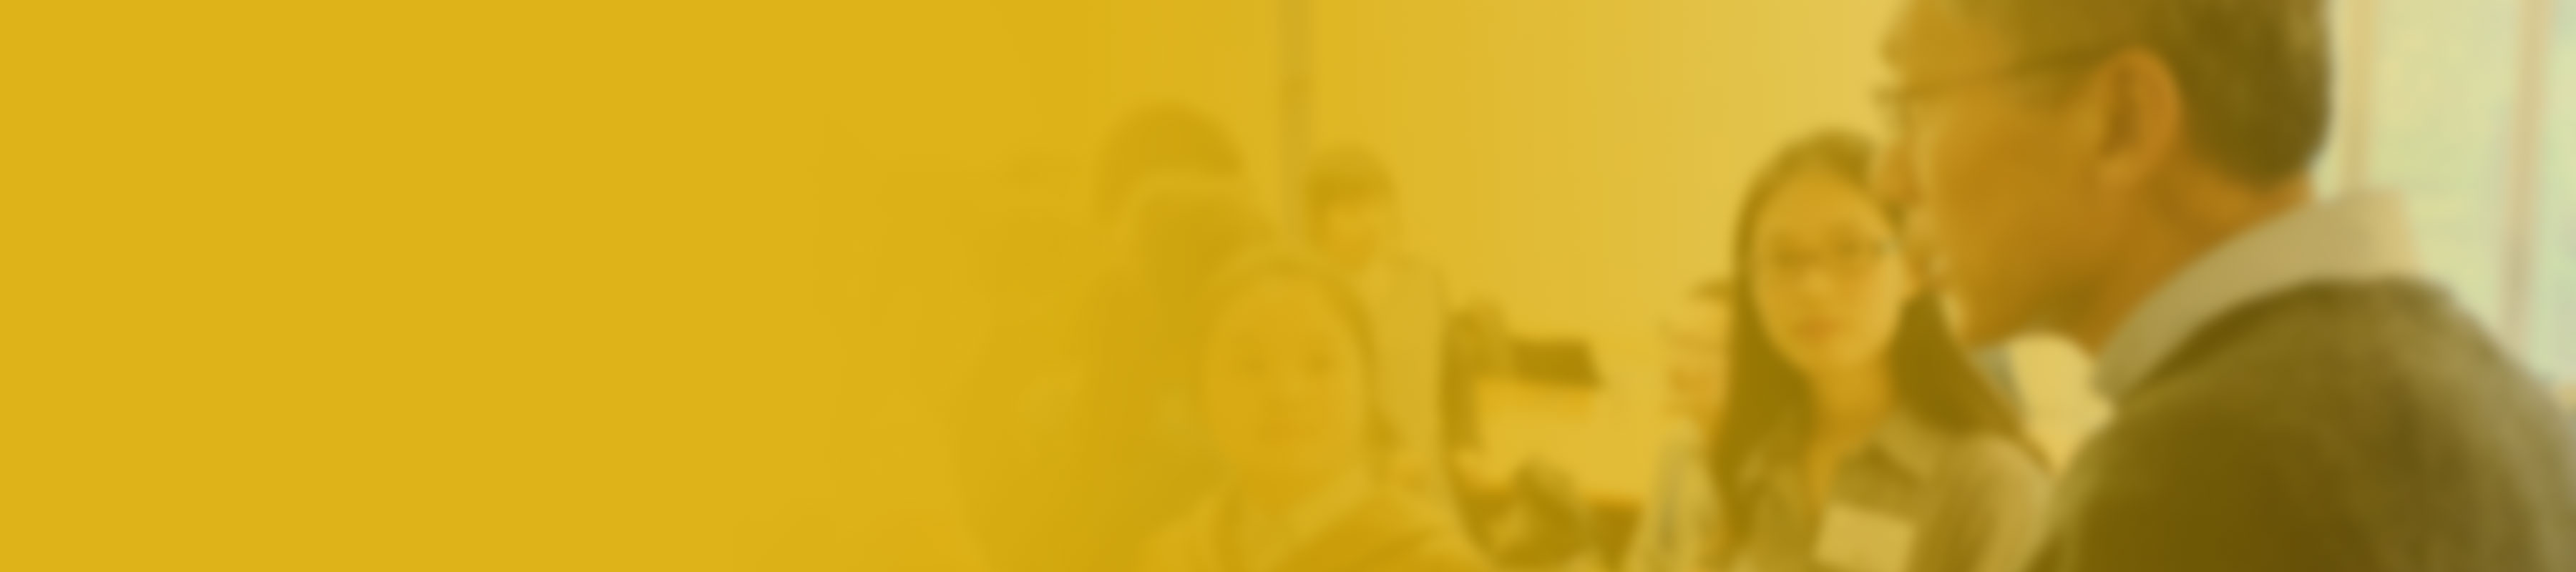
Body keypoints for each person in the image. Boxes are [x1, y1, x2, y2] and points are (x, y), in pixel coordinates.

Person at [1874, 1, 2576, 570]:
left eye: (1912, 108)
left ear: (2122, 121)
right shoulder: (2514, 411)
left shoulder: (2181, 490)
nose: (1889, 177)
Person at [1710, 132, 2049, 572]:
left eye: (1851, 250)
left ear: (1912, 268)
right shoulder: (1752, 464)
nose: (1814, 287)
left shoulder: (1990, 484)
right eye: (1783, 258)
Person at [1141, 250, 1488, 572]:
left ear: (1369, 383)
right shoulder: (1172, 557)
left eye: (1320, 364)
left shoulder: (1433, 562)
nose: (1287, 393)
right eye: (1251, 365)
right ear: (1199, 394)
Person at [1302, 148, 1453, 500]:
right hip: (1346, 483)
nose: (1371, 223)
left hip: (1426, 478)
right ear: (1320, 221)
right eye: (1351, 211)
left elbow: (1450, 369)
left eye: (1379, 206)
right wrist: (1381, 460)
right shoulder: (1306, 294)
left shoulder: (1424, 282)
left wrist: (1464, 444)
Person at [1626, 278, 1737, 572]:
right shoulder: (1678, 445)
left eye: (1699, 346)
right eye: (1674, 340)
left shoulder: (1768, 471)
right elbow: (1646, 559)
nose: (1676, 363)